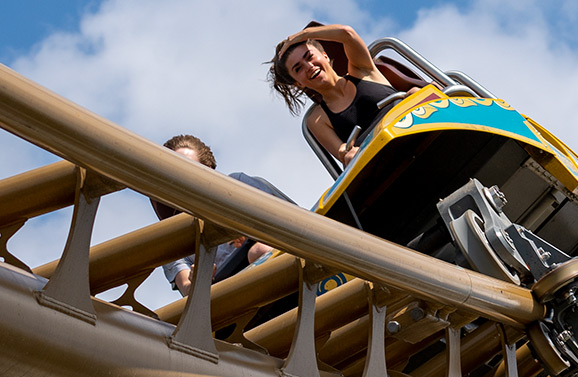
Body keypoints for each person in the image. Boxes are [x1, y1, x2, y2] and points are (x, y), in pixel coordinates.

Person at [150, 134, 294, 296]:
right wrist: (197, 280)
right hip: (233, 291)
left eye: (189, 169)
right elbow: (188, 289)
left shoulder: (237, 185)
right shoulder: (174, 239)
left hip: (282, 259)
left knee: (260, 250)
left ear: (208, 171)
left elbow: (288, 222)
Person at [268, 22, 401, 166]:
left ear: (325, 56)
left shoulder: (361, 70)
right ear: (298, 83)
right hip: (382, 158)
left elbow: (347, 33)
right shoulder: (317, 119)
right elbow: (341, 151)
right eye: (298, 68)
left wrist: (304, 34)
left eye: (309, 57)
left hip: (407, 126)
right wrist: (346, 152)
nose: (309, 66)